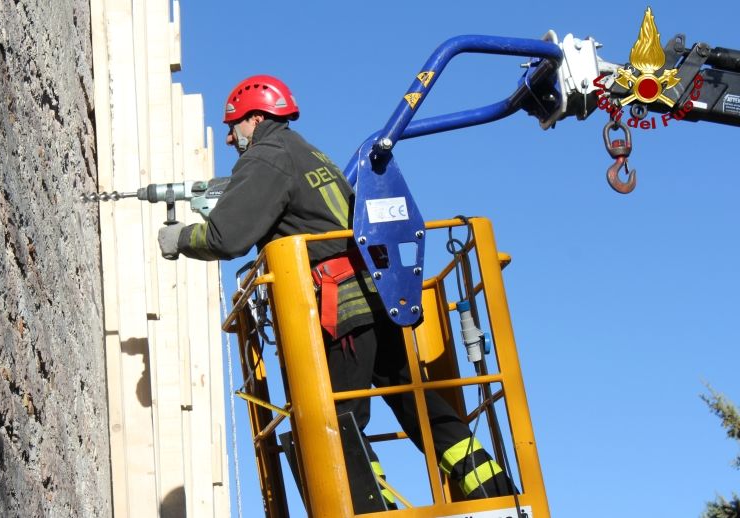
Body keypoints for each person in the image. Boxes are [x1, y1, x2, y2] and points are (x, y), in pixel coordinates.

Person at [157, 74, 517, 502]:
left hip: (340, 309)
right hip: (379, 298)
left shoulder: (267, 157)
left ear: (254, 117)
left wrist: (179, 238)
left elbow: (226, 238)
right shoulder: (311, 155)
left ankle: (371, 509)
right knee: (421, 407)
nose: (231, 138)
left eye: (233, 126)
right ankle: (499, 495)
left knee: (336, 417)